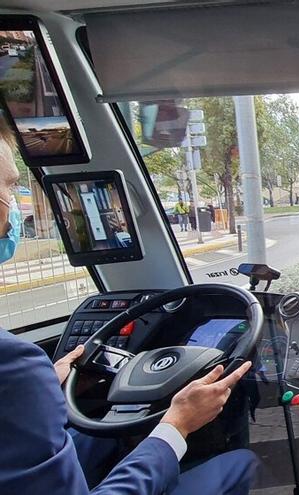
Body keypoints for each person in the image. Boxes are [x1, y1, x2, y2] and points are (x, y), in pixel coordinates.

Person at [0, 121, 258, 495]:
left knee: (104, 435)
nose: (16, 199)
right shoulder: (13, 366)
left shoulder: (20, 374)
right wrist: (177, 424)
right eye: (9, 185)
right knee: (241, 463)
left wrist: (44, 387)